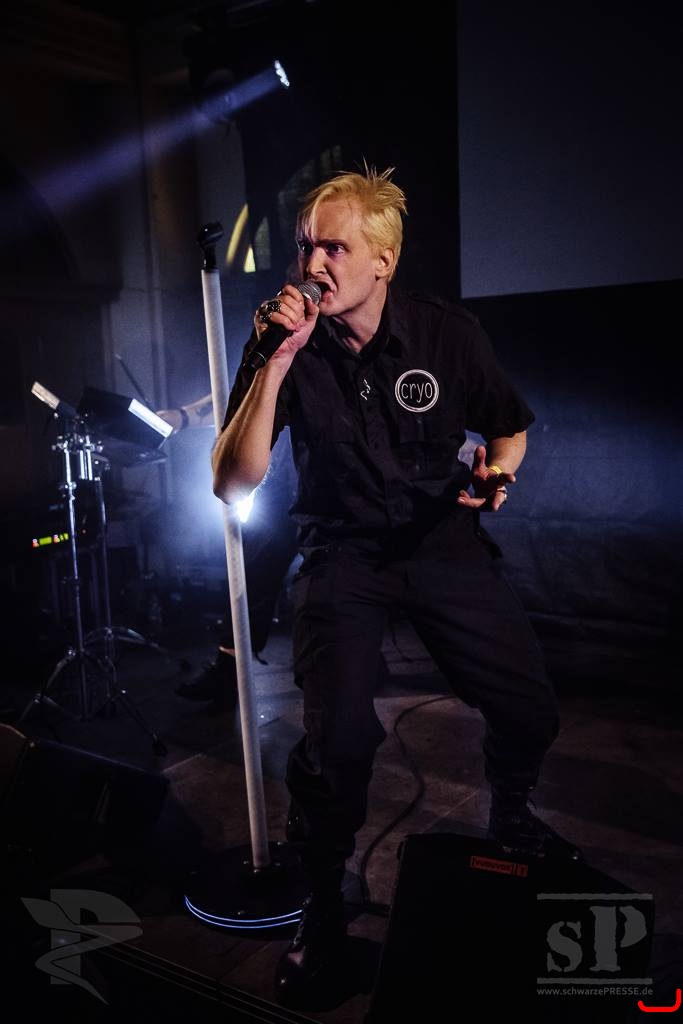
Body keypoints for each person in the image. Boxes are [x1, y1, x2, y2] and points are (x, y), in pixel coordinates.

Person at [211, 165, 581, 1004]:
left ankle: (511, 810)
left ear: (383, 261)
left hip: (441, 546)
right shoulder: (279, 344)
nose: (313, 265)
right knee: (337, 741)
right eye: (305, 246)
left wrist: (499, 473)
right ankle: (322, 900)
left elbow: (509, 429)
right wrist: (274, 363)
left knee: (529, 709)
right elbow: (232, 484)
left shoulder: (446, 335)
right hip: (343, 556)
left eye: (333, 248)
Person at [156, 394, 299, 712]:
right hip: (284, 480)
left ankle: (361, 659)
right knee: (252, 576)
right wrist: (183, 416)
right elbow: (245, 392)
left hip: (324, 476)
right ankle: (227, 671)